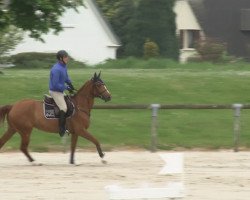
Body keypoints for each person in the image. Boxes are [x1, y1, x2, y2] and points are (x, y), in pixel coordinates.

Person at [49, 50, 75, 137]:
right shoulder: (56, 69)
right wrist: (66, 87)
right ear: (60, 58)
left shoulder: (64, 67)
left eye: (67, 57)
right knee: (63, 107)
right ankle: (61, 129)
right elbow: (55, 85)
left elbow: (66, 77)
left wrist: (71, 85)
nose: (67, 58)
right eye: (65, 57)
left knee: (71, 103)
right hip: (55, 91)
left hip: (60, 91)